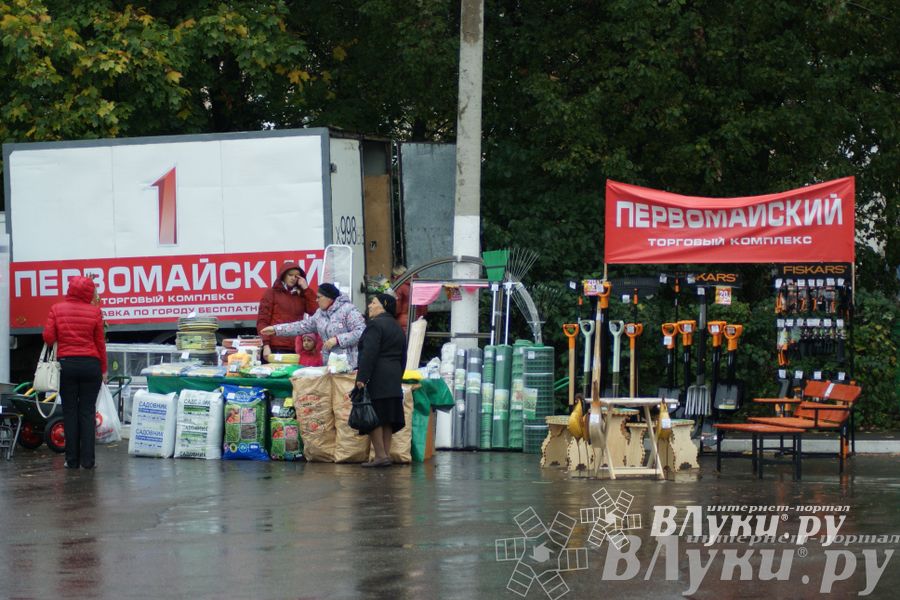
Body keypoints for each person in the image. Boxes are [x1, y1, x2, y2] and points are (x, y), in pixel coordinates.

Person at [42, 275, 108, 470]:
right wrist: (103, 370)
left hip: (67, 366)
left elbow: (48, 337)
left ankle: (71, 461)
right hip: (91, 366)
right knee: (87, 413)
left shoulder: (57, 309)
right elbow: (100, 344)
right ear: (89, 292)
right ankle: (88, 462)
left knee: (70, 412)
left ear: (70, 289)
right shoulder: (95, 312)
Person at [355, 293, 407, 467]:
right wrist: (398, 376)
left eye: (373, 302)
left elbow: (369, 353)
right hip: (393, 376)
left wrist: (362, 377)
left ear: (384, 305)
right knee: (387, 417)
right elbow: (403, 356)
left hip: (378, 374)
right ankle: (384, 454)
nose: (370, 305)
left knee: (374, 415)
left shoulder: (375, 325)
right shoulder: (397, 327)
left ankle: (380, 455)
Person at [261, 283, 366, 369]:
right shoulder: (319, 314)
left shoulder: (348, 310)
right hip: (330, 365)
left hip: (350, 365)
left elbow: (362, 331)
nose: (316, 300)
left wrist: (337, 339)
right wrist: (276, 329)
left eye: (319, 297)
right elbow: (301, 326)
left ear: (329, 298)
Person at [256, 263, 317, 362]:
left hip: (297, 347)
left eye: (296, 276)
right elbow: (262, 321)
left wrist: (306, 289)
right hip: (275, 347)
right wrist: (266, 345)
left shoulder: (301, 295)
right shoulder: (271, 293)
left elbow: (316, 312)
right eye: (290, 275)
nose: (293, 278)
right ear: (283, 276)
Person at [391, 265, 426, 334]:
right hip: (418, 321)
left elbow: (397, 309)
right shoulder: (418, 285)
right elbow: (424, 310)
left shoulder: (399, 286)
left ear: (395, 276)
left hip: (403, 323)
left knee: (404, 344)